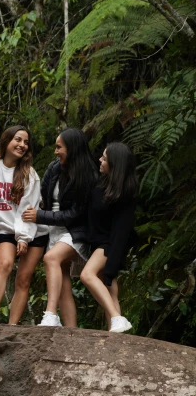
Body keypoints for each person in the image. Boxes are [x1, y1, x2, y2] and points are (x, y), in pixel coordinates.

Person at [22, 128, 98, 327]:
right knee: (62, 280)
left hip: (76, 231)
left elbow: (75, 214)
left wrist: (40, 216)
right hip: (54, 229)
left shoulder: (87, 174)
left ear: (72, 149)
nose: (55, 151)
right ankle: (71, 331)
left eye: (59, 147)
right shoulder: (55, 167)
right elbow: (43, 195)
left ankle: (50, 314)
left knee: (51, 258)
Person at [0, 125, 48, 325]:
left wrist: (24, 238)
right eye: (18, 140)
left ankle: (12, 326)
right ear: (6, 141)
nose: (22, 145)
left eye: (26, 142)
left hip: (32, 231)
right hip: (4, 227)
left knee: (23, 279)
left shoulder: (29, 174)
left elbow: (28, 209)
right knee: (5, 263)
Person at [80, 142, 138, 333]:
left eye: (104, 158)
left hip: (110, 246)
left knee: (87, 275)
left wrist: (112, 265)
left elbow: (121, 234)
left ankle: (116, 318)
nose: (100, 159)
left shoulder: (124, 195)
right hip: (99, 244)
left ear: (115, 164)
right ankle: (116, 334)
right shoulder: (102, 183)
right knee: (109, 289)